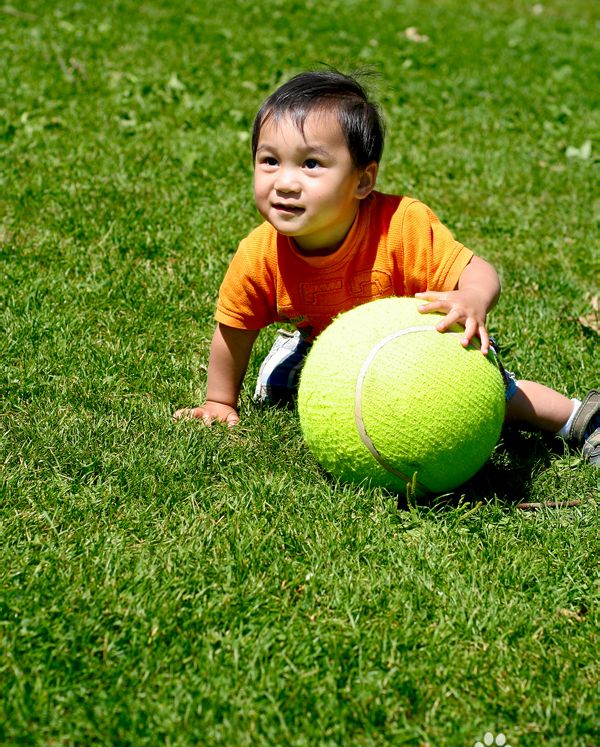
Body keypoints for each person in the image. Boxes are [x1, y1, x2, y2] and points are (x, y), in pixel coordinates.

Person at [174, 70, 599, 465]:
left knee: (497, 398)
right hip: (336, 352)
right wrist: (220, 401)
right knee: (285, 394)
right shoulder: (259, 255)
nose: (285, 181)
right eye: (270, 161)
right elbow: (234, 328)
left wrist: (471, 298)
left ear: (362, 180)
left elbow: (479, 271)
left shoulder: (401, 226)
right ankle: (296, 349)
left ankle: (580, 418)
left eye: (311, 164)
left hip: (425, 345)